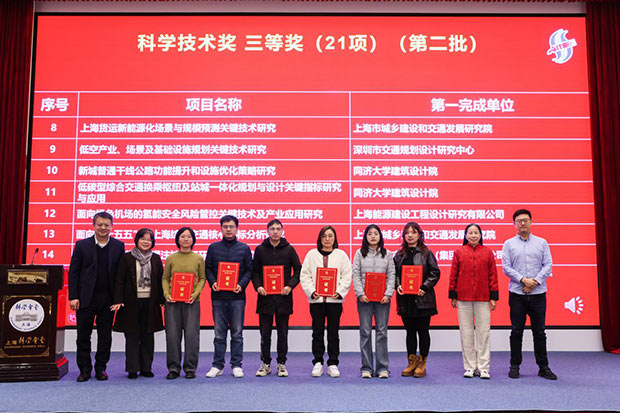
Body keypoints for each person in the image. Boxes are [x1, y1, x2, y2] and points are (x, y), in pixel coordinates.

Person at [68, 211, 125, 382]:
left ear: (112, 227)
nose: (103, 228)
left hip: (108, 299)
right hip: (85, 298)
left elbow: (120, 276)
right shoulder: (82, 245)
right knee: (83, 336)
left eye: (107, 225)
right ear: (93, 226)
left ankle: (101, 368)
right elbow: (74, 272)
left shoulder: (118, 246)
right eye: (100, 224)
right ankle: (84, 370)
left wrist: (119, 298)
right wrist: (73, 296)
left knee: (105, 336)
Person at [502, 209, 557, 380]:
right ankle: (514, 366)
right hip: (517, 294)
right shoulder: (509, 244)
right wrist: (523, 280)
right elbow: (506, 267)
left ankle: (543, 367)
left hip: (538, 294)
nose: (523, 223)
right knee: (516, 331)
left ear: (531, 222)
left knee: (539, 332)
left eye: (525, 220)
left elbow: (548, 264)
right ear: (514, 224)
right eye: (519, 221)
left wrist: (535, 282)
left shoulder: (541, 243)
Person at [110, 228, 165, 379]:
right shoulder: (126, 258)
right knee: (132, 336)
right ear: (137, 240)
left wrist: (162, 300)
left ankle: (146, 368)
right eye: (143, 239)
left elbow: (160, 280)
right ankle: (132, 368)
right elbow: (119, 280)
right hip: (130, 303)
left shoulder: (156, 258)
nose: (146, 242)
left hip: (150, 302)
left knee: (148, 336)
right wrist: (118, 299)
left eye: (149, 239)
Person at [252, 219, 302, 377]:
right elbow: (254, 272)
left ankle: (281, 363)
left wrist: (290, 286)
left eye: (278, 229)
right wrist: (258, 286)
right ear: (267, 231)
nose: (275, 232)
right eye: (272, 229)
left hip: (283, 298)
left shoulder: (289, 249)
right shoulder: (260, 249)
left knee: (283, 333)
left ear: (282, 231)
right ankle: (265, 363)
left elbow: (298, 270)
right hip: (265, 298)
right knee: (265, 334)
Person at [300, 225, 352, 378]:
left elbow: (346, 275)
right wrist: (312, 291)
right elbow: (305, 275)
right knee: (317, 332)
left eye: (330, 236)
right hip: (316, 301)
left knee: (333, 333)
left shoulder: (341, 255)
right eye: (324, 236)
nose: (327, 239)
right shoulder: (311, 254)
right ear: (320, 238)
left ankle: (333, 363)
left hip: (334, 301)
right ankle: (317, 362)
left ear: (335, 238)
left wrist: (339, 292)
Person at [205, 215, 253, 378]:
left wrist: (241, 284)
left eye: (231, 226)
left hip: (237, 297)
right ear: (221, 228)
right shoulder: (213, 248)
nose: (228, 229)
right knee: (219, 334)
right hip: (218, 296)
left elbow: (249, 270)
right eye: (225, 226)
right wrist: (213, 282)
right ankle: (217, 365)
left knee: (237, 334)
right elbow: (208, 268)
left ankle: (236, 365)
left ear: (236, 229)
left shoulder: (244, 248)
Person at [449, 224, 499, 379]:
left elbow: (493, 275)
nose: (473, 235)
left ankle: (484, 367)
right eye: (470, 233)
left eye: (476, 233)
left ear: (480, 235)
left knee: (484, 332)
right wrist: (453, 294)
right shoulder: (459, 252)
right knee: (466, 333)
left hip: (483, 298)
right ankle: (470, 366)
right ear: (465, 235)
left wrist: (493, 297)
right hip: (463, 297)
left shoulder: (487, 252)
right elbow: (453, 274)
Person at [394, 222, 440, 378]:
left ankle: (422, 364)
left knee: (423, 331)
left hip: (423, 299)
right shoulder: (399, 255)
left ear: (419, 235)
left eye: (413, 232)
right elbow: (394, 275)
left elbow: (434, 273)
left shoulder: (427, 253)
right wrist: (398, 285)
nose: (410, 235)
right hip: (405, 300)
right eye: (407, 233)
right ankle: (411, 363)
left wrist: (424, 287)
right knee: (410, 332)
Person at [161, 227, 206, 379]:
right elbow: (165, 278)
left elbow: (202, 278)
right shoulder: (171, 258)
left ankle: (190, 368)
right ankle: (173, 368)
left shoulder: (198, 258)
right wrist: (167, 294)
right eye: (183, 236)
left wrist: (195, 294)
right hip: (172, 302)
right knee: (172, 335)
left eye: (189, 236)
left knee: (192, 335)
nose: (186, 239)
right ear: (177, 239)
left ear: (193, 240)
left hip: (192, 302)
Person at [352, 224, 395, 379]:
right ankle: (367, 367)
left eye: (375, 233)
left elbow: (391, 274)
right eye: (369, 233)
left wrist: (388, 294)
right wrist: (360, 293)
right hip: (364, 299)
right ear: (365, 236)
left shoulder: (387, 254)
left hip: (383, 299)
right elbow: (356, 275)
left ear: (380, 236)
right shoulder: (359, 253)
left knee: (382, 332)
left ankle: (383, 368)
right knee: (365, 332)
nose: (373, 236)